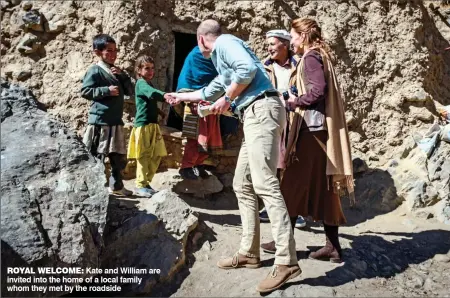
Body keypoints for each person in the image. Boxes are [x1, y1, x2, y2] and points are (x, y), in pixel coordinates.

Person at [167, 19, 300, 294]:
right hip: (255, 113)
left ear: (201, 39)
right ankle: (249, 252)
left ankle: (286, 260)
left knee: (264, 183)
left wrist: (226, 98)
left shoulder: (225, 43)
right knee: (242, 183)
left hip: (261, 110)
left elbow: (247, 70)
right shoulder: (224, 59)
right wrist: (183, 98)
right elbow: (212, 89)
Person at [262, 18, 354, 263]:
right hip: (319, 131)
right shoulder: (320, 54)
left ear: (302, 36)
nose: (291, 41)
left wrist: (294, 102)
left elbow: (317, 91)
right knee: (325, 190)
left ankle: (284, 241)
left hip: (312, 132)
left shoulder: (311, 57)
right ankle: (332, 246)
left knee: (289, 185)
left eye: (292, 36)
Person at [258, 29, 306, 230]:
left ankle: (296, 208)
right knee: (272, 162)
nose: (269, 48)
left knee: (293, 163)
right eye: (267, 44)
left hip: (294, 120)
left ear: (285, 45)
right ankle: (273, 207)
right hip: (271, 119)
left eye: (273, 44)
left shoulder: (299, 65)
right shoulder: (263, 67)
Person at [81, 34, 133, 196]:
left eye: (115, 50)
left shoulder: (115, 72)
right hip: (100, 122)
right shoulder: (95, 71)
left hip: (115, 122)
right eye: (109, 51)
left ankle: (117, 187)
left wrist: (122, 76)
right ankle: (94, 190)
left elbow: (130, 91)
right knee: (97, 156)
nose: (113, 54)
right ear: (97, 52)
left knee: (118, 158)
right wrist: (106, 91)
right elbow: (85, 91)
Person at [176, 46, 222, 180]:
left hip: (210, 104)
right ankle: (186, 167)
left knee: (209, 137)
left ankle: (199, 164)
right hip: (192, 102)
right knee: (194, 137)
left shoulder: (216, 55)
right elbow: (188, 79)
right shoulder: (196, 55)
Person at [127, 55, 169, 197]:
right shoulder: (141, 83)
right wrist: (166, 96)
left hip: (152, 125)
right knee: (144, 156)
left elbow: (148, 102)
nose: (150, 71)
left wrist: (160, 112)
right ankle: (140, 185)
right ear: (139, 70)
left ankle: (145, 182)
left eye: (152, 68)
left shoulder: (148, 83)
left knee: (157, 154)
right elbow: (152, 94)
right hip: (143, 126)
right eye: (147, 68)